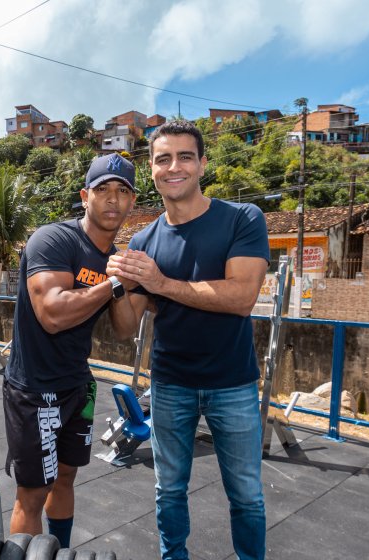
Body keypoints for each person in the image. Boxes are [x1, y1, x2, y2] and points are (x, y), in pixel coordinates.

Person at [107, 120, 269, 560]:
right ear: (153, 170)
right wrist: (118, 285)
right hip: (171, 384)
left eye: (184, 157)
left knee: (247, 495)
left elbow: (241, 297)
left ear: (201, 164)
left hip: (232, 383)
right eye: (163, 159)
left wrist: (160, 282)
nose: (173, 166)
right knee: (169, 491)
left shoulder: (242, 218)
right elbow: (125, 327)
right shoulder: (143, 240)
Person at [3, 152, 137, 548]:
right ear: (85, 195)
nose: (113, 199)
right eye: (103, 190)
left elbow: (126, 328)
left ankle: (57, 552)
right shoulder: (55, 239)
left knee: (65, 477)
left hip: (77, 384)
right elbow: (52, 313)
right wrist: (111, 285)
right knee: (32, 492)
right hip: (34, 388)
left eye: (123, 191)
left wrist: (123, 280)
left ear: (132, 202)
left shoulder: (112, 259)